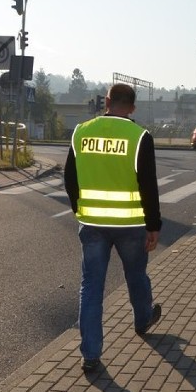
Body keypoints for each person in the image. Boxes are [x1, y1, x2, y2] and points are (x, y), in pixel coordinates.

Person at [64, 83, 162, 373]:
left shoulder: (81, 132)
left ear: (106, 101)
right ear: (132, 107)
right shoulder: (140, 136)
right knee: (136, 276)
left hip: (92, 223)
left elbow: (70, 178)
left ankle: (91, 354)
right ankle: (142, 319)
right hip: (131, 225)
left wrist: (78, 209)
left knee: (91, 287)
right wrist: (153, 225)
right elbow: (148, 186)